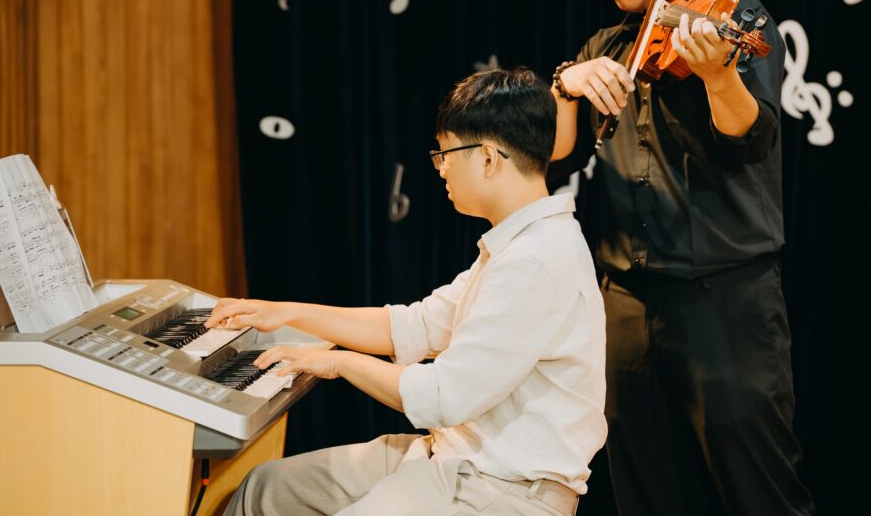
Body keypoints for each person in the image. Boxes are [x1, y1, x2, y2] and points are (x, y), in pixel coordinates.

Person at [547, 0, 815, 516]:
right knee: (646, 495)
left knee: (761, 495)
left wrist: (720, 76)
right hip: (625, 309)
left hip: (725, 307)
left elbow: (750, 138)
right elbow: (554, 155)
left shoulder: (737, 17)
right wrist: (565, 83)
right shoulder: (608, 46)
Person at [212, 67, 607, 515]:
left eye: (445, 154)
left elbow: (443, 396)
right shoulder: (517, 243)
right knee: (263, 489)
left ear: (488, 158)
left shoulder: (535, 260)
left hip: (503, 490)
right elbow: (412, 325)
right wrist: (285, 313)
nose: (441, 168)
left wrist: (338, 362)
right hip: (451, 460)